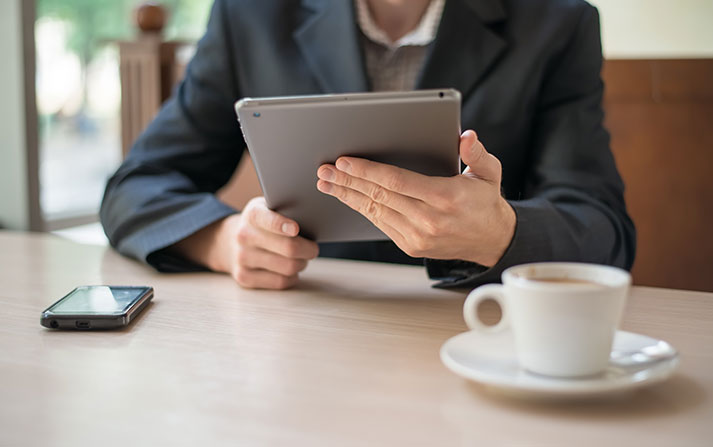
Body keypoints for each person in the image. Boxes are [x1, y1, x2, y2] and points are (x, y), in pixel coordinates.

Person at [100, 0, 636, 290]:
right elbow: (135, 186)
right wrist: (221, 240)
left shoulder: (558, 22)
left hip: (480, 334)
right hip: (306, 329)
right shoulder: (250, 14)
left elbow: (604, 228)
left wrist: (499, 233)